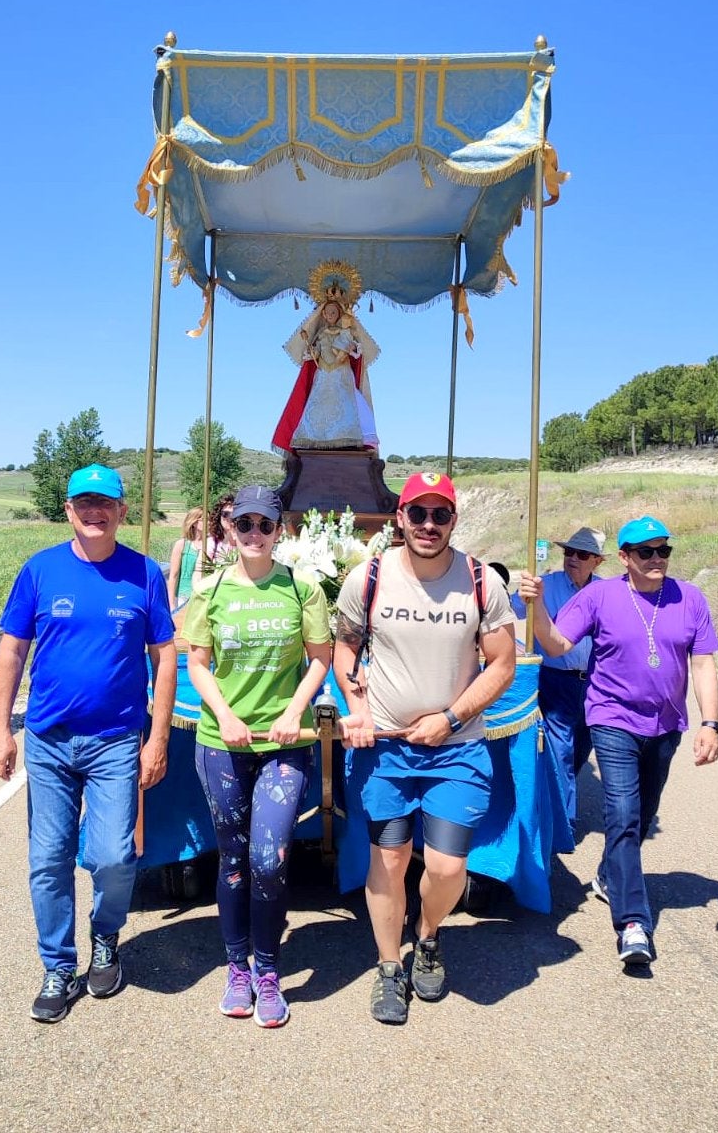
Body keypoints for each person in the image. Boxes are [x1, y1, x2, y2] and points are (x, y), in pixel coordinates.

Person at [0, 463, 176, 1022]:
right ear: (68, 510)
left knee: (114, 857)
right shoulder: (40, 571)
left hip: (116, 740)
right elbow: (11, 650)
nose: (94, 511)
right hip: (48, 740)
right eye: (83, 502)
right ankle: (57, 965)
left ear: (121, 511)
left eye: (105, 503)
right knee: (48, 859)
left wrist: (158, 737)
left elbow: (164, 656)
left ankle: (107, 938)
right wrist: (1, 731)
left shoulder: (143, 573)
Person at [334, 472, 516, 1023]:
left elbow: (502, 666)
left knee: (446, 867)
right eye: (418, 513)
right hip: (386, 751)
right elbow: (346, 648)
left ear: (454, 520)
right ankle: (390, 968)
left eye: (441, 515)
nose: (429, 525)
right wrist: (356, 706)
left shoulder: (481, 581)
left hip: (456, 748)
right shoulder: (367, 578)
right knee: (387, 860)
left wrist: (452, 716)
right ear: (400, 518)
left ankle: (428, 933)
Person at [518, 515, 718, 966]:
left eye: (663, 550)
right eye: (645, 552)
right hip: (611, 719)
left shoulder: (690, 598)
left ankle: (611, 874)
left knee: (643, 815)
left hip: (666, 725)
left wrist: (710, 723)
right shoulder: (600, 595)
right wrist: (536, 608)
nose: (656, 559)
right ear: (626, 558)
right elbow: (554, 645)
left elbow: (704, 663)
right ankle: (633, 923)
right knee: (624, 814)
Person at [182, 485, 331, 1028]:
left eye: (264, 525)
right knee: (235, 859)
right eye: (243, 524)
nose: (253, 534)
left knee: (270, 858)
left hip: (285, 746)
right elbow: (197, 663)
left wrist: (295, 711)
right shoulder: (210, 590)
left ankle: (267, 970)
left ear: (280, 530)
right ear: (228, 528)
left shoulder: (302, 587)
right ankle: (236, 968)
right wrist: (224, 715)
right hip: (222, 744)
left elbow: (320, 658)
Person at [510, 527, 607, 828]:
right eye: (569, 552)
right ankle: (563, 822)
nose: (573, 559)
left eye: (582, 554)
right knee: (560, 748)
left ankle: (556, 794)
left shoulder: (605, 591)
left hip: (594, 683)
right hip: (554, 679)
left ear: (598, 561)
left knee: (581, 746)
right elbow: (510, 608)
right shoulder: (546, 586)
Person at [272, 295, 379, 454]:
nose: (330, 316)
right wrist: (311, 352)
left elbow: (357, 354)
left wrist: (352, 350)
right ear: (323, 315)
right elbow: (316, 352)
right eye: (327, 313)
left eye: (333, 313)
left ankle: (348, 437)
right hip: (323, 374)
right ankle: (315, 438)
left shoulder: (346, 333)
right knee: (317, 405)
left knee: (350, 403)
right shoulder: (321, 334)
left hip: (342, 374)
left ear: (339, 314)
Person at [167, 506, 204, 613]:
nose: (209, 522)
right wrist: (171, 603)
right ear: (195, 522)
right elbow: (173, 575)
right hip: (184, 595)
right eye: (204, 519)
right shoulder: (182, 545)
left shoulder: (210, 545)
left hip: (203, 595)